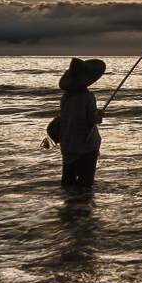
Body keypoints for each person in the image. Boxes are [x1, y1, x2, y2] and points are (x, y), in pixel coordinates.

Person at [58, 57, 106, 189]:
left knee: (68, 183)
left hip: (68, 144)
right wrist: (100, 115)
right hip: (87, 146)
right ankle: (81, 206)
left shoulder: (65, 97)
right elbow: (92, 120)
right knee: (85, 185)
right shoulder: (88, 96)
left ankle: (70, 206)